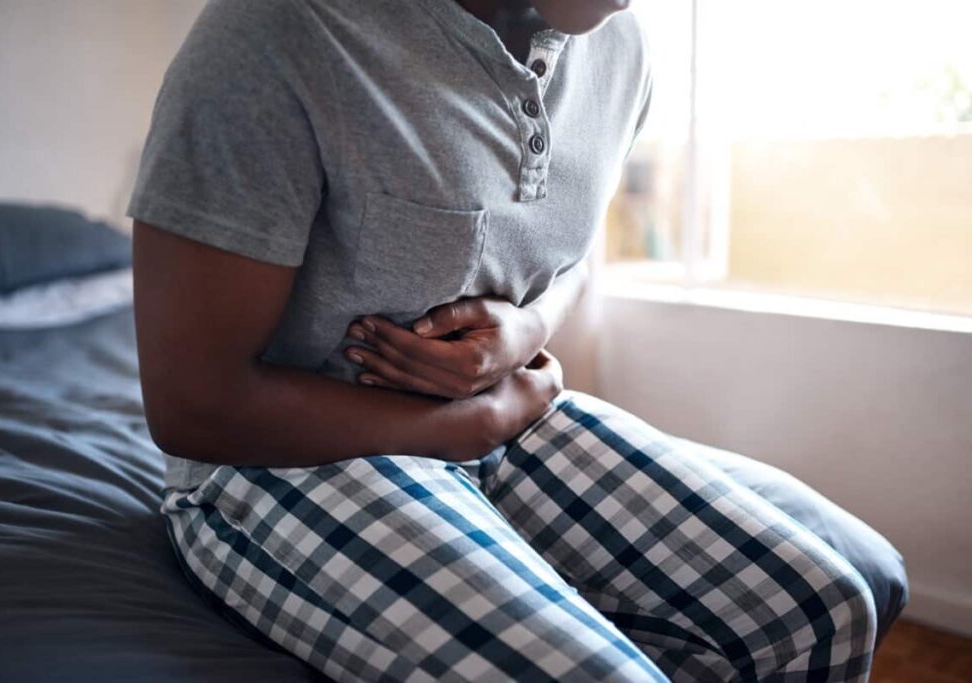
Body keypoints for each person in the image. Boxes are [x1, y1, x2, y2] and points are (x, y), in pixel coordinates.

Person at [128, 1, 907, 680]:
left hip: (503, 417)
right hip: (281, 462)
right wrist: (477, 422)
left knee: (823, 609)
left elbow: (568, 251)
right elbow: (193, 403)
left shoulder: (622, 50)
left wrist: (527, 328)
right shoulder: (283, 33)